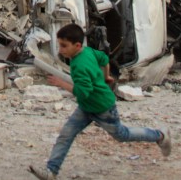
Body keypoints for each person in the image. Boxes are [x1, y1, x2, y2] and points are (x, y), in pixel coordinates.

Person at [29, 23, 171, 179]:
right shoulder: (87, 51)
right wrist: (106, 76)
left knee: (122, 134)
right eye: (59, 45)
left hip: (103, 108)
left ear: (77, 45)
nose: (60, 50)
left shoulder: (79, 65)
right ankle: (51, 171)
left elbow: (84, 92)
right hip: (87, 107)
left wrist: (61, 83)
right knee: (66, 134)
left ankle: (160, 135)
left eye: (64, 46)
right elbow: (104, 58)